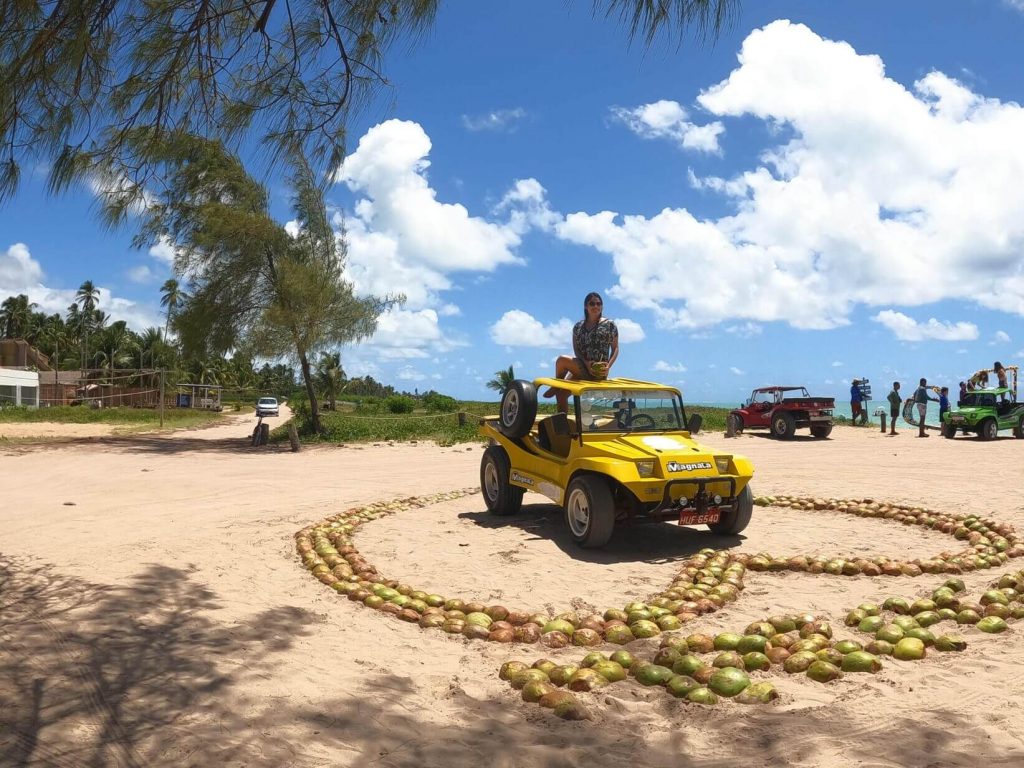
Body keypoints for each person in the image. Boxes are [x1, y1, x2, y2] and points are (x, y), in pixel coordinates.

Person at [542, 292, 619, 413]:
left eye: (598, 304)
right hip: (583, 366)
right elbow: (576, 349)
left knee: (562, 360)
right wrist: (586, 363)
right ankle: (563, 425)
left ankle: (557, 385)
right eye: (592, 303)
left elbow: (615, 348)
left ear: (602, 306)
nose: (595, 306)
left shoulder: (610, 325)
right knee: (561, 396)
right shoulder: (578, 327)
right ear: (586, 306)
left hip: (597, 372)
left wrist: (608, 365)